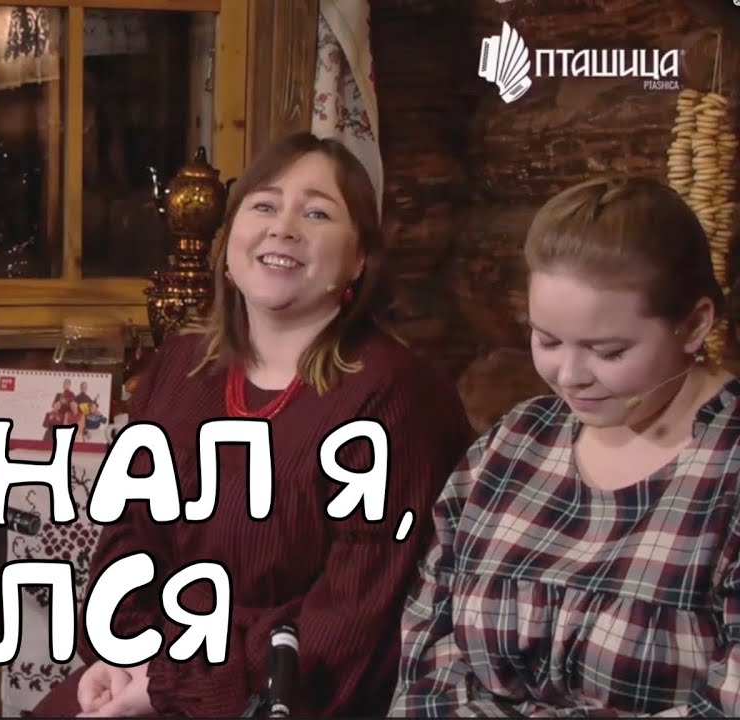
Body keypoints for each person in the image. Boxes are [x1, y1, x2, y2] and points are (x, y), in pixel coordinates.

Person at [28, 131, 474, 718]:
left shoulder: (397, 397)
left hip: (290, 698)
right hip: (162, 667)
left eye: (317, 213)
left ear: (360, 257)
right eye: (264, 205)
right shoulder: (180, 367)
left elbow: (351, 627)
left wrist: (171, 686)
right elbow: (131, 537)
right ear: (229, 240)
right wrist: (124, 656)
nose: (282, 228)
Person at [389, 176, 740, 716]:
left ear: (693, 325)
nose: (570, 375)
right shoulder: (513, 444)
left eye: (608, 351)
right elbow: (431, 651)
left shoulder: (727, 469)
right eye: (547, 340)